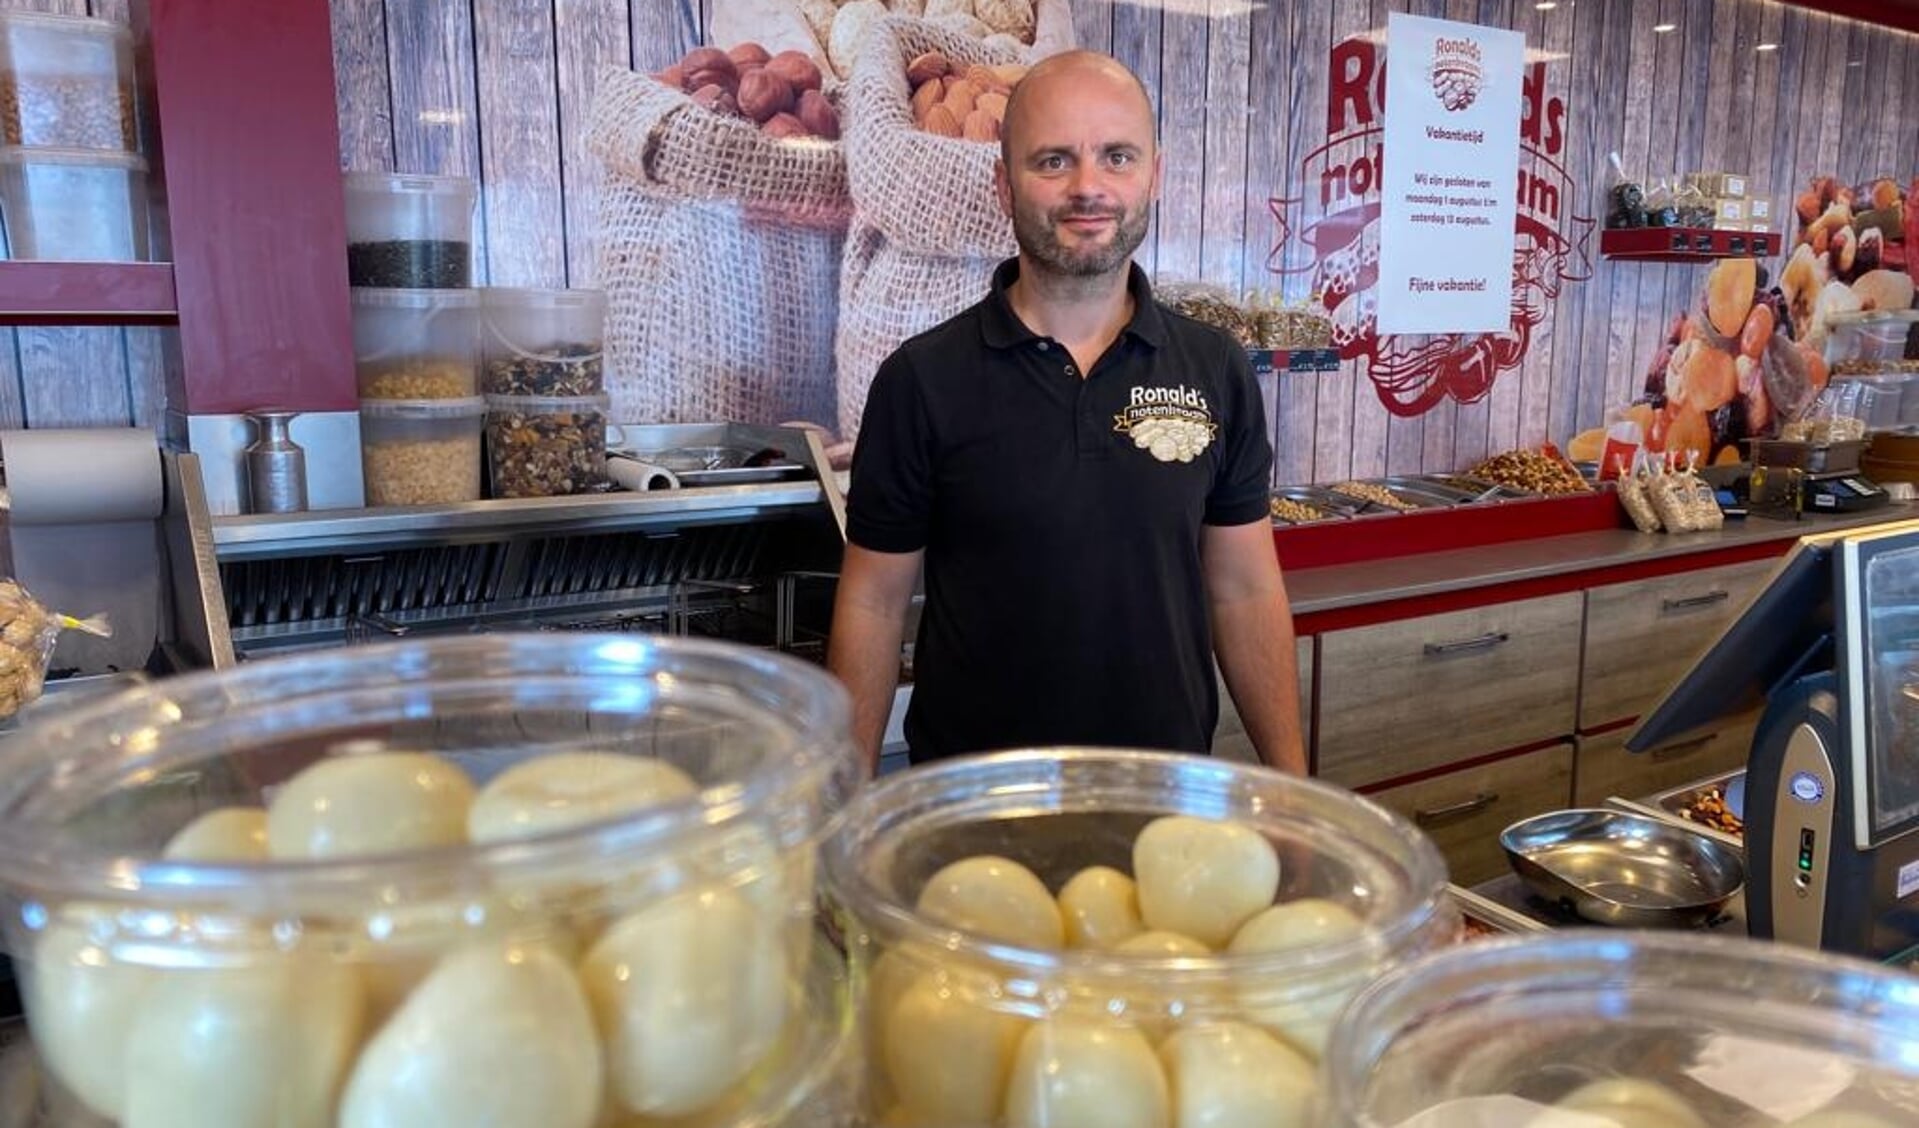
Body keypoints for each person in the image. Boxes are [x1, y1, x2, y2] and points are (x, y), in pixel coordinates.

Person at [826, 50, 1305, 776]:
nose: (1089, 187)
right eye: (1053, 161)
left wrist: (1292, 785)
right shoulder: (921, 380)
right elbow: (871, 600)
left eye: (1116, 157)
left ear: (1153, 175)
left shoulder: (1215, 368)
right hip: (973, 806)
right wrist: (844, 802)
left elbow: (1242, 588)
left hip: (1162, 795)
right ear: (1002, 184)